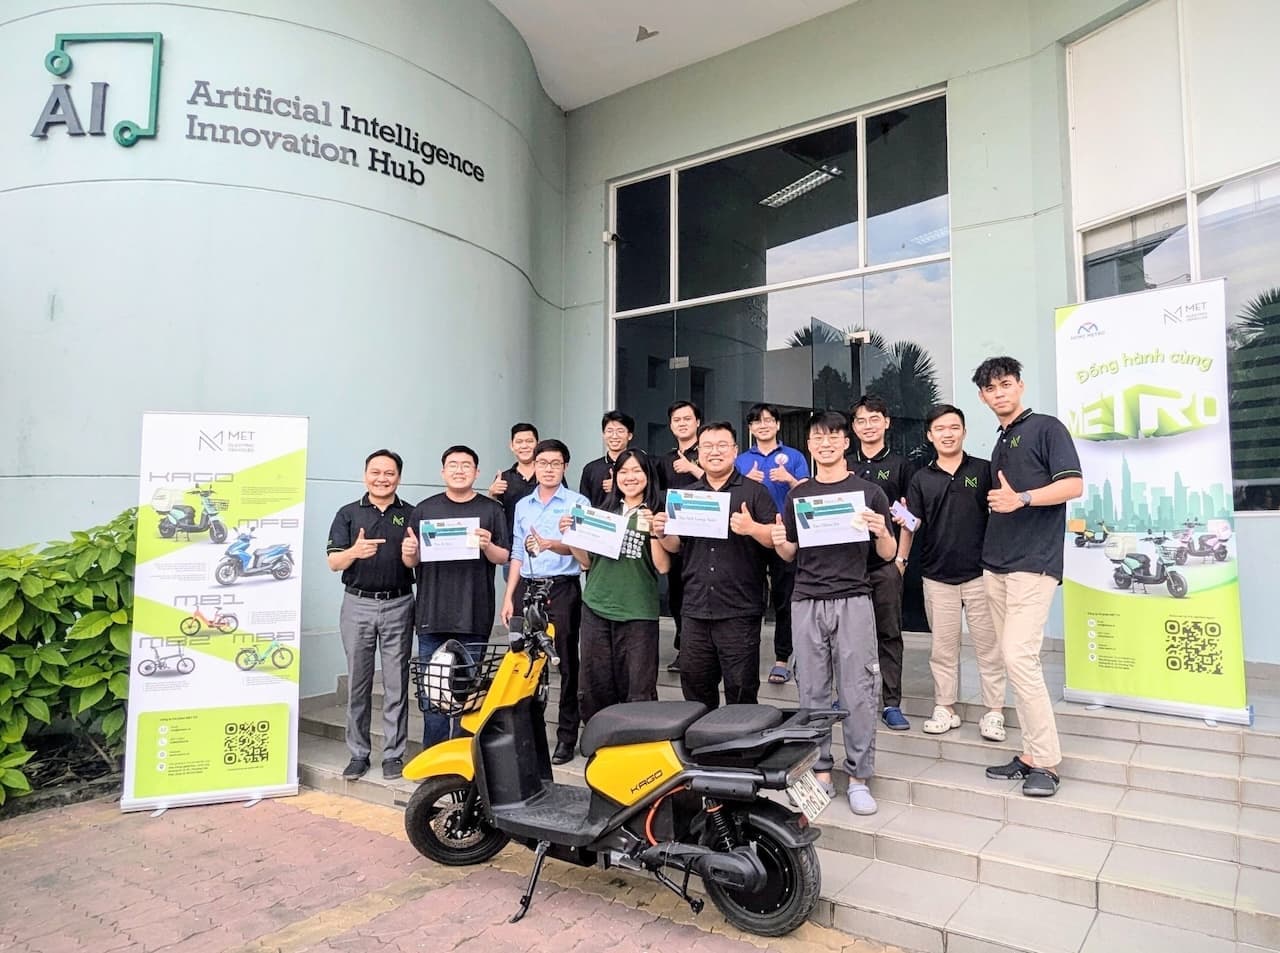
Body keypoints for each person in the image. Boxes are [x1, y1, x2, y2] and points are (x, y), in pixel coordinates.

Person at [772, 411, 896, 816]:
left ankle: (859, 776)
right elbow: (790, 553)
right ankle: (821, 771)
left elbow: (889, 555)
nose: (825, 444)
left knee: (859, 690)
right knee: (812, 690)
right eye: (817, 438)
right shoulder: (798, 494)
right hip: (806, 598)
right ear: (809, 445)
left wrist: (881, 531)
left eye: (833, 437)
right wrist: (777, 541)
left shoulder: (868, 492)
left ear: (846, 443)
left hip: (854, 599)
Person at [973, 356, 1083, 798]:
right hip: (996, 564)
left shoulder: (1047, 428)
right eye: (990, 389)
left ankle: (1049, 762)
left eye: (1005, 384)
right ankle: (1030, 754)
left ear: (1019, 385)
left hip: (1032, 564)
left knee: (1020, 657)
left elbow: (1073, 485)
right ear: (982, 397)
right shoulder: (1003, 439)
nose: (998, 393)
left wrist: (1022, 497)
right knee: (1009, 657)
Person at [894, 405, 1007, 741]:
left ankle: (994, 712)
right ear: (930, 435)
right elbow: (914, 524)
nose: (947, 433)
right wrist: (901, 557)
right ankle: (945, 707)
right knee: (943, 649)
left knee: (989, 648)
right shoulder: (921, 478)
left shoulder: (983, 470)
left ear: (964, 432)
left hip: (979, 575)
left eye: (954, 427)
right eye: (940, 428)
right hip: (936, 576)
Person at [401, 445, 511, 750]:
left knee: (467, 693)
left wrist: (487, 545)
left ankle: (462, 760)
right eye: (453, 464)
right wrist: (409, 554)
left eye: (466, 465)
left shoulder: (491, 510)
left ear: (477, 472)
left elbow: (503, 557)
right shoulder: (424, 510)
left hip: (473, 614)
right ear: (443, 472)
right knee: (433, 694)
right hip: (431, 614)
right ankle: (434, 759)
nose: (459, 470)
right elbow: (412, 560)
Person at [661, 422, 776, 710]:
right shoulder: (686, 496)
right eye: (708, 446)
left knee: (741, 690)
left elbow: (776, 541)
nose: (715, 452)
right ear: (698, 453)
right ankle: (703, 750)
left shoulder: (755, 493)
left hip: (739, 610)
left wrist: (752, 528)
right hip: (695, 608)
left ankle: (740, 752)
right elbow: (675, 547)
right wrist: (662, 531)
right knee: (696, 688)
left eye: (722, 445)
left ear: (735, 450)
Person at [325, 450, 416, 781]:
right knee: (359, 683)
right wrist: (354, 552)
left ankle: (393, 754)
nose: (382, 478)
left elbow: (416, 563)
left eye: (389, 473)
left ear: (398, 477)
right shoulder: (348, 514)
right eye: (375, 472)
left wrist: (412, 555)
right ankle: (358, 754)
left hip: (399, 603)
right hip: (357, 604)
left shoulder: (410, 514)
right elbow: (334, 562)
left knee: (396, 683)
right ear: (365, 475)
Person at [563, 448, 670, 725]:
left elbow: (663, 567)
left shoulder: (658, 513)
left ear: (648, 475)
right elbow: (586, 563)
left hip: (638, 611)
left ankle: (637, 745)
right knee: (595, 683)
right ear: (614, 476)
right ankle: (601, 740)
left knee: (639, 686)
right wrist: (572, 535)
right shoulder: (602, 512)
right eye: (623, 471)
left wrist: (655, 533)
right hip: (596, 606)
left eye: (637, 471)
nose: (630, 477)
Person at [500, 438, 587, 765]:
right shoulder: (523, 505)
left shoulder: (577, 501)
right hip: (528, 588)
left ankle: (566, 736)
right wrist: (509, 596)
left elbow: (583, 549)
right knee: (525, 663)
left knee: (564, 662)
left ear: (565, 467)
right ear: (533, 467)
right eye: (543, 463)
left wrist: (554, 543)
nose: (548, 469)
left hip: (562, 589)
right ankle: (528, 734)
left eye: (555, 463)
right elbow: (518, 552)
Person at [846, 395, 915, 731]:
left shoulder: (902, 466)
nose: (868, 426)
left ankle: (890, 703)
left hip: (886, 565)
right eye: (861, 420)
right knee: (847, 636)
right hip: (846, 567)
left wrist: (900, 560)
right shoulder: (844, 464)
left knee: (888, 633)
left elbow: (910, 517)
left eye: (875, 418)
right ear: (853, 427)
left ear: (887, 422)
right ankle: (848, 699)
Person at [736, 402, 809, 684]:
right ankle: (745, 655)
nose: (763, 425)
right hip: (750, 536)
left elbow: (808, 492)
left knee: (784, 599)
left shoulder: (793, 456)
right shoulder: (740, 460)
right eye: (756, 422)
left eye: (768, 420)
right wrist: (744, 480)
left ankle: (782, 658)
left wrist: (789, 478)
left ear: (778, 425)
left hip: (784, 534)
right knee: (750, 599)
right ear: (750, 428)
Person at [658, 400, 706, 672]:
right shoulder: (665, 459)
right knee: (677, 594)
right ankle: (684, 649)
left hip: (706, 536)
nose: (682, 423)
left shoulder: (708, 452)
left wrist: (692, 468)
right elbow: (657, 494)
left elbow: (717, 485)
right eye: (677, 420)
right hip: (675, 538)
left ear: (698, 422)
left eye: (687, 418)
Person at [488, 422, 540, 530]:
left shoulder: (549, 474)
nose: (524, 446)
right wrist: (492, 495)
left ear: (538, 444)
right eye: (519, 442)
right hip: (512, 540)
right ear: (512, 446)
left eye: (529, 441)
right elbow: (493, 514)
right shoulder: (503, 478)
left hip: (545, 539)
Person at [578, 410, 634, 508]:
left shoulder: (639, 466)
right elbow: (584, 504)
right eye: (609, 431)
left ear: (629, 435)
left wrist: (618, 487)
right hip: (597, 522)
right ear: (603, 434)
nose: (614, 436)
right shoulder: (591, 468)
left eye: (620, 431)